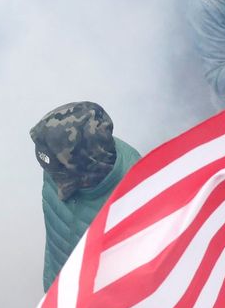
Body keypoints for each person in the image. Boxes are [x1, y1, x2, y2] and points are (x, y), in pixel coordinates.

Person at [29, 101, 141, 292]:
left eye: (62, 175)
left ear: (86, 167)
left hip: (98, 304)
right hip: (57, 292)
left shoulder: (135, 194)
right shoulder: (57, 158)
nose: (55, 180)